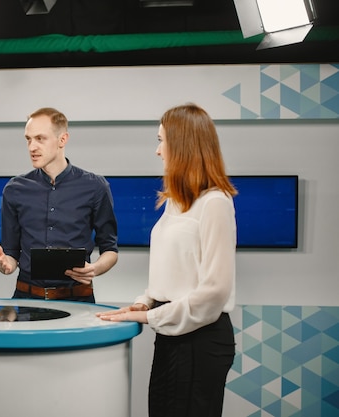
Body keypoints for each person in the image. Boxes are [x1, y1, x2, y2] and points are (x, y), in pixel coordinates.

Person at [97, 103, 237, 417]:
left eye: (162, 141)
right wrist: (144, 302)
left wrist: (148, 318)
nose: (158, 151)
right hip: (170, 336)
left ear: (184, 145)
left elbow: (215, 291)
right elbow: (174, 270)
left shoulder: (215, 202)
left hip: (200, 341)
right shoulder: (175, 201)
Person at [0, 107, 118, 303]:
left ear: (62, 140)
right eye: (28, 139)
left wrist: (95, 269)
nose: (32, 147)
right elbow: (11, 252)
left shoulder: (95, 186)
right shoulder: (14, 189)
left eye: (40, 138)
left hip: (77, 299)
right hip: (26, 299)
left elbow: (110, 249)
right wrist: (5, 264)